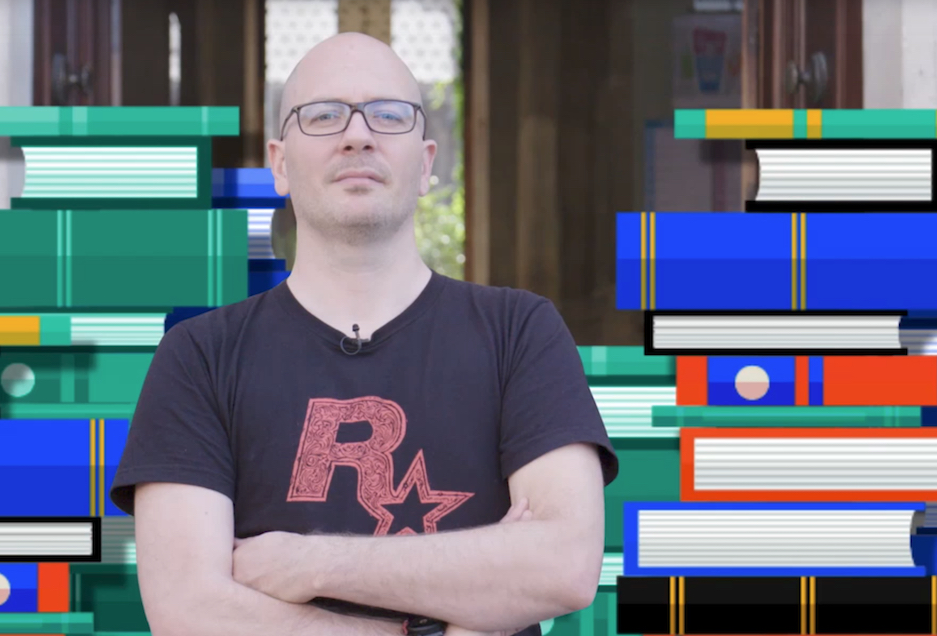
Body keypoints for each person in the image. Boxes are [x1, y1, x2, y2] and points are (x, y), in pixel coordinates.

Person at [107, 31, 619, 636]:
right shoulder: (199, 357)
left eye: (389, 115)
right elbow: (188, 610)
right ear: (279, 164)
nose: (357, 135)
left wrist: (311, 564)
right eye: (324, 115)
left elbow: (564, 566)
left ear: (425, 163)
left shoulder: (520, 333)